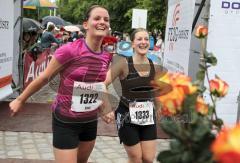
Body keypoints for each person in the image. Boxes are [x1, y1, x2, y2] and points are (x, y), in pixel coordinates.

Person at [9, 5, 112, 163]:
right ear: (86, 24)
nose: (102, 22)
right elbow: (44, 78)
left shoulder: (106, 56)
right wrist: (20, 99)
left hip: (90, 120)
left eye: (106, 19)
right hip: (66, 121)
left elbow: (99, 84)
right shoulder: (70, 50)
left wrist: (105, 107)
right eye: (97, 18)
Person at [103, 28, 169, 163]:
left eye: (146, 39)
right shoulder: (123, 64)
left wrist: (159, 106)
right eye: (139, 39)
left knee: (148, 159)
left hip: (148, 116)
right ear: (132, 43)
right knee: (136, 158)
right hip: (126, 116)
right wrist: (107, 107)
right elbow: (103, 83)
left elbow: (155, 89)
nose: (143, 42)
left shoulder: (154, 66)